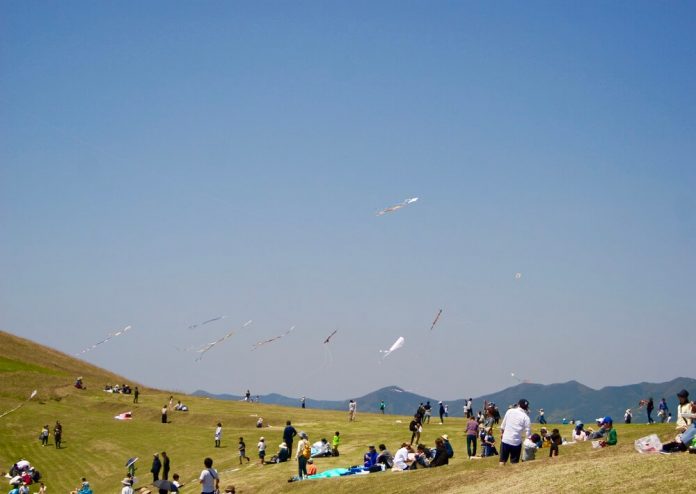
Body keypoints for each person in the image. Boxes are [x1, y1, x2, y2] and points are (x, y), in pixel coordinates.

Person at [499, 399, 531, 466]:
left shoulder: (509, 411)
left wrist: (502, 434)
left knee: (502, 461)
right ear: (526, 407)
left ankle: (500, 472)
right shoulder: (526, 417)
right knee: (514, 463)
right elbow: (528, 433)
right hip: (516, 442)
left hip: (506, 439)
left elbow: (502, 426)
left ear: (518, 404)